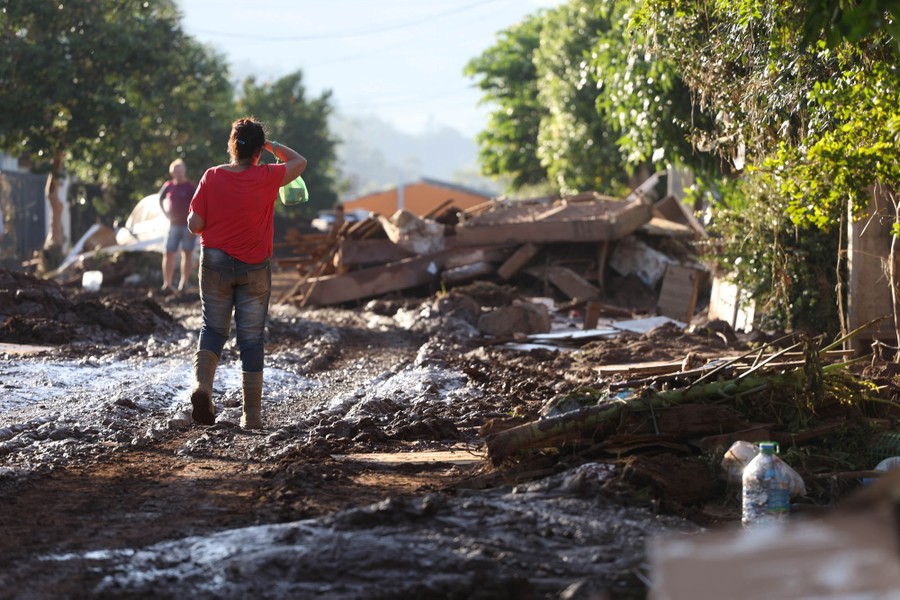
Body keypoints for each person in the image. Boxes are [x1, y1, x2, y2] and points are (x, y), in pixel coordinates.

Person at [186, 117, 307, 429]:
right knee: (251, 340)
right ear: (258, 151)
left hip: (214, 262)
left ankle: (203, 388)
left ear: (231, 145)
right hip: (254, 267)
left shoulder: (212, 176)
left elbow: (194, 225)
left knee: (212, 329)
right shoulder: (269, 175)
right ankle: (251, 417)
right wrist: (269, 145)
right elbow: (300, 161)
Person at [158, 158, 198, 293]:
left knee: (187, 253)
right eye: (176, 171)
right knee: (168, 252)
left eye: (181, 170)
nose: (179, 173)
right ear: (172, 172)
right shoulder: (168, 186)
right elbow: (160, 199)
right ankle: (167, 284)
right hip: (173, 225)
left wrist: (194, 225)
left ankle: (183, 283)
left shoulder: (190, 187)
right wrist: (166, 215)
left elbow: (198, 205)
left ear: (184, 171)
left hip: (187, 226)